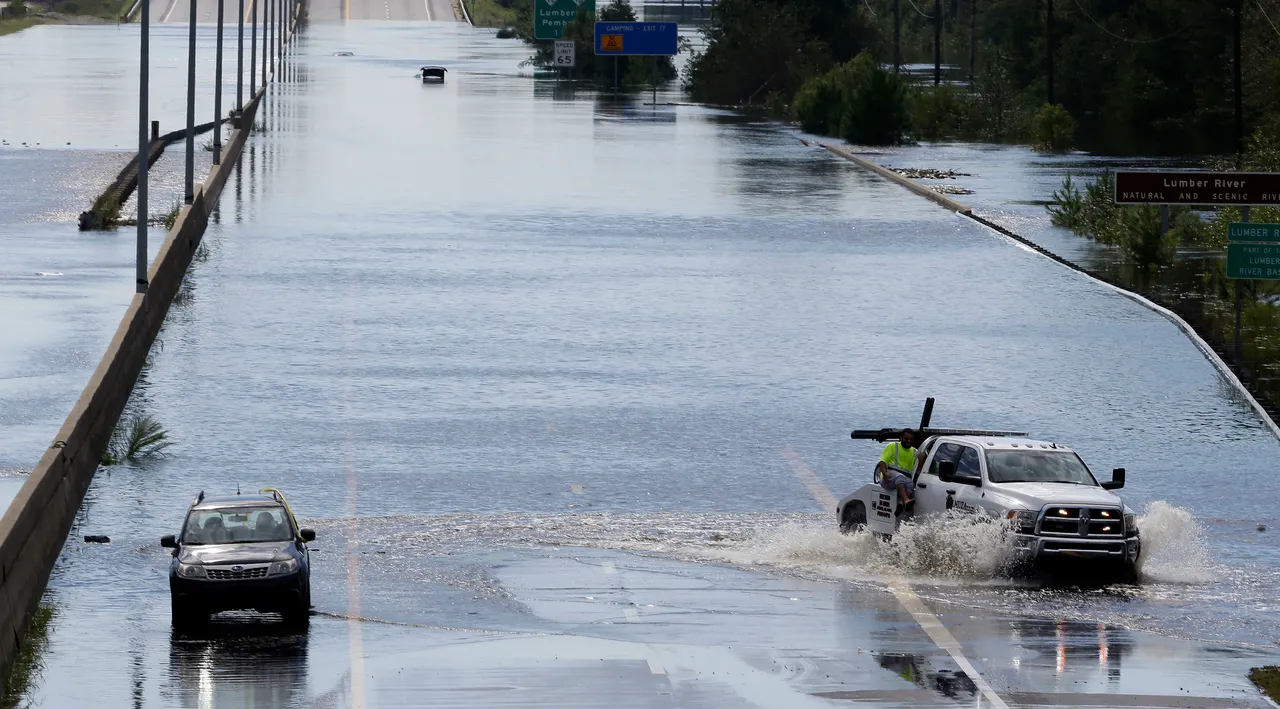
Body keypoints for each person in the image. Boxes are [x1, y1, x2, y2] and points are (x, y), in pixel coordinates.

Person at [875, 428, 918, 506]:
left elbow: (919, 467)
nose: (909, 441)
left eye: (911, 439)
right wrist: (884, 474)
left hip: (904, 478)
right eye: (906, 438)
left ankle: (901, 504)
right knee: (900, 477)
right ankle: (906, 500)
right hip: (889, 477)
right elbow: (883, 462)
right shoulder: (892, 446)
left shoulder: (915, 452)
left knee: (910, 484)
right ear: (901, 438)